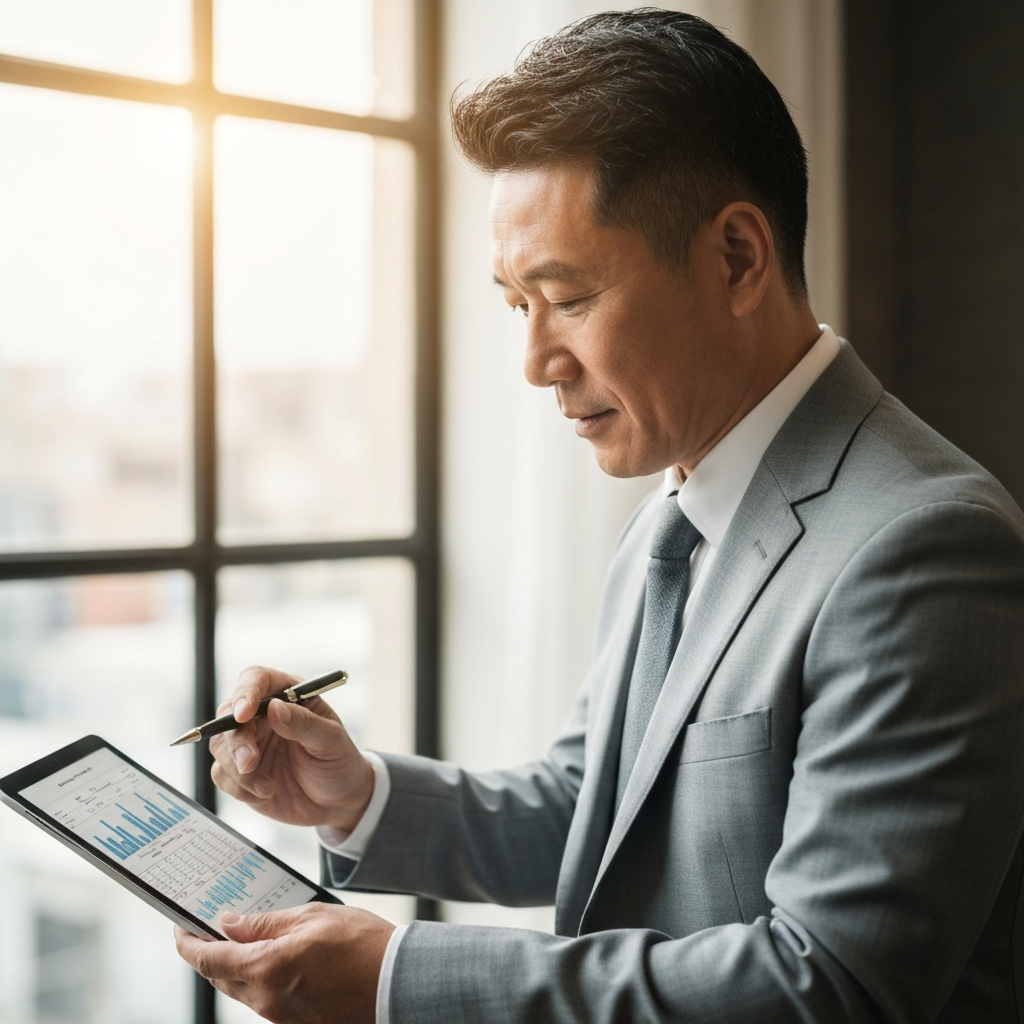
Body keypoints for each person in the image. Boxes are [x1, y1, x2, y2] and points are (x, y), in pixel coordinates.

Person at [175, 10, 1024, 1023]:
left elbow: (829, 987)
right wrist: (358, 794)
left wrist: (399, 979)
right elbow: (599, 805)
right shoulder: (673, 511)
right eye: (513, 304)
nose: (534, 363)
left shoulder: (924, 547)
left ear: (739, 258)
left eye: (565, 296)